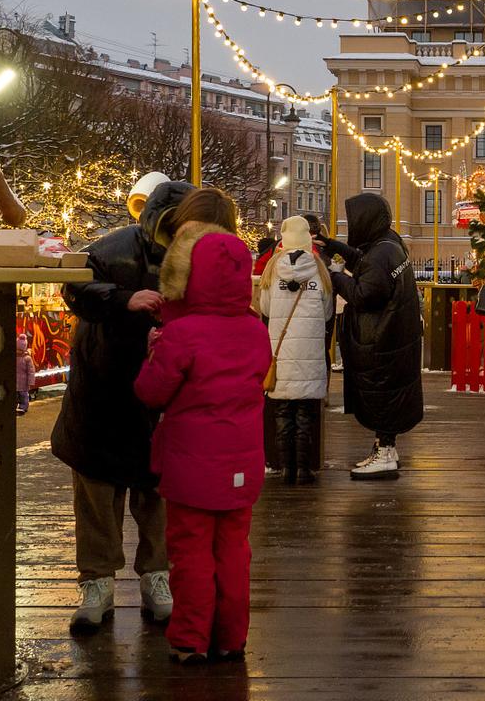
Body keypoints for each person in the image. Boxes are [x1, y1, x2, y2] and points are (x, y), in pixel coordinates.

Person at [53, 178, 195, 635]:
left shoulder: (196, 255)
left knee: (156, 492)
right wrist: (122, 298)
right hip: (104, 386)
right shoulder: (113, 248)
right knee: (97, 490)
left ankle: (156, 575)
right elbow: (74, 288)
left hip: (159, 390)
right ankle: (97, 581)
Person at [134, 220, 270, 663]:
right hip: (242, 465)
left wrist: (154, 350)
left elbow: (151, 392)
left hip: (192, 467)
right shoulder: (255, 331)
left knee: (190, 554)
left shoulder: (184, 334)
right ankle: (232, 637)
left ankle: (190, 639)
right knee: (234, 552)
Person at [329, 193, 423, 479]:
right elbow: (369, 267)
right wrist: (339, 248)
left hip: (382, 341)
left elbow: (365, 293)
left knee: (382, 397)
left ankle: (384, 453)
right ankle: (386, 448)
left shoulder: (381, 253)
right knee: (388, 394)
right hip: (394, 339)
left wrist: (335, 276)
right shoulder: (390, 244)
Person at [255, 216, 335, 485]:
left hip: (281, 351)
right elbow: (327, 312)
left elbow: (264, 308)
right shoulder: (319, 269)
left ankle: (285, 468)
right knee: (305, 413)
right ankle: (304, 469)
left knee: (283, 412)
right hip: (310, 352)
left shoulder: (272, 269)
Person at [16, 333, 36, 416]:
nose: (18, 351)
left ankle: (23, 407)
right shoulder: (17, 357)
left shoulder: (27, 358)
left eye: (20, 349)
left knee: (24, 395)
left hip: (23, 382)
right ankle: (19, 407)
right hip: (16, 381)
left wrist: (31, 382)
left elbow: (31, 371)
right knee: (18, 395)